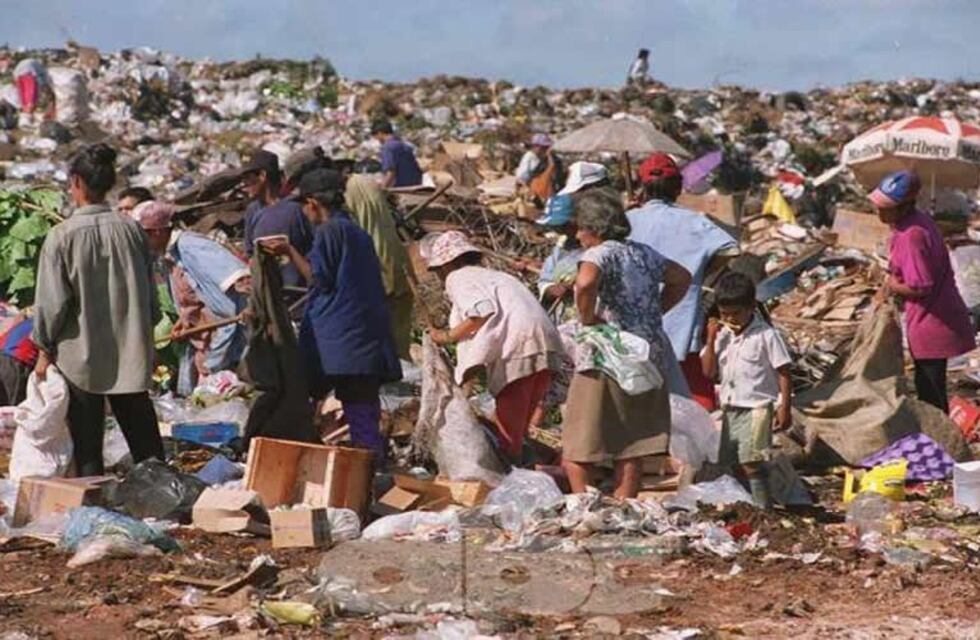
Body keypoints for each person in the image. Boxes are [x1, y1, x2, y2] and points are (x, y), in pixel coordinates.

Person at [32, 144, 164, 476]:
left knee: (88, 449)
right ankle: (168, 499)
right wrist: (147, 332)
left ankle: (94, 509)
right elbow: (151, 295)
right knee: (146, 444)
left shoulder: (62, 236)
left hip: (81, 358)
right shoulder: (132, 229)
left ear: (76, 182)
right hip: (130, 351)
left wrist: (44, 349)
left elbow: (52, 304)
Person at [561, 187, 692, 498]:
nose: (578, 235)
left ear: (593, 228)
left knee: (579, 440)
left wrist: (587, 317)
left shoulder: (598, 253)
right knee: (631, 443)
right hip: (645, 354)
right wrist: (653, 312)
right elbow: (682, 278)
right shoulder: (643, 252)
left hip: (607, 356)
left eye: (580, 227)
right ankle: (624, 506)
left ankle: (582, 503)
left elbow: (586, 282)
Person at [266, 169, 402, 462]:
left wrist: (289, 250)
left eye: (304, 205)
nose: (303, 212)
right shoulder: (356, 231)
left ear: (313, 203)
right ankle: (372, 464)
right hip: (363, 333)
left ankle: (364, 470)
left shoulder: (329, 232)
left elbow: (318, 278)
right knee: (363, 406)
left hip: (342, 337)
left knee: (327, 397)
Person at [427, 231, 564, 462]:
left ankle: (509, 473)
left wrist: (446, 336)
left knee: (508, 430)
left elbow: (481, 311)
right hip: (546, 341)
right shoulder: (494, 276)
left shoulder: (458, 277)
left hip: (519, 344)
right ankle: (521, 468)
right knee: (519, 426)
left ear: (447, 264)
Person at [628, 152, 738, 408]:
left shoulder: (627, 221)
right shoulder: (694, 221)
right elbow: (731, 249)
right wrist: (703, 274)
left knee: (640, 401)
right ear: (677, 187)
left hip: (634, 326)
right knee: (692, 402)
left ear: (643, 186)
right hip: (681, 324)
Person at [872, 170, 975, 413]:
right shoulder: (917, 222)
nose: (878, 211)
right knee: (931, 384)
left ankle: (940, 443)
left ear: (903, 207)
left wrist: (890, 285)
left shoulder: (911, 235)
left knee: (930, 390)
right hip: (937, 315)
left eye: (884, 207)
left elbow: (920, 285)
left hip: (931, 320)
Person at [131, 201, 250, 394]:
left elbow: (229, 312)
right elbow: (193, 298)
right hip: (203, 349)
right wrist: (183, 321)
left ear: (158, 232)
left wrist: (213, 363)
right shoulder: (169, 257)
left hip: (225, 352)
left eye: (142, 235)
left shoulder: (191, 248)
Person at [701, 272, 792, 509]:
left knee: (752, 461)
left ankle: (764, 511)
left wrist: (785, 406)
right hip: (731, 406)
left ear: (751, 307)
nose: (731, 319)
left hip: (758, 406)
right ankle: (747, 506)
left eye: (736, 313)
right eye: (724, 314)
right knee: (732, 462)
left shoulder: (766, 335)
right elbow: (709, 373)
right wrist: (710, 340)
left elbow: (783, 370)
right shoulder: (724, 336)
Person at [344, 174, 415, 359]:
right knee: (399, 338)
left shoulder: (348, 197)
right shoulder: (366, 183)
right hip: (399, 265)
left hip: (377, 270)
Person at [537, 162, 609, 322]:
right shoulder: (561, 246)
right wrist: (551, 289)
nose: (559, 231)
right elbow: (544, 278)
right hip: (563, 320)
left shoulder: (600, 247)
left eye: (564, 226)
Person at [241, 149, 314, 290]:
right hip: (270, 297)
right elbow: (251, 256)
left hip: (299, 294)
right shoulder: (252, 211)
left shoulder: (296, 209)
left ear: (262, 175)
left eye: (248, 177)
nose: (244, 184)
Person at [371, 119, 423, 188]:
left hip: (401, 188)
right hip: (415, 185)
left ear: (380, 133)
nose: (376, 139)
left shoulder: (388, 147)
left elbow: (391, 172)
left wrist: (382, 190)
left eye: (376, 136)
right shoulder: (404, 144)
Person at [515, 133, 564, 204]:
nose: (545, 150)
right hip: (534, 194)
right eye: (543, 147)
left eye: (546, 147)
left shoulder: (547, 158)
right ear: (536, 146)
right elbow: (522, 177)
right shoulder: (530, 157)